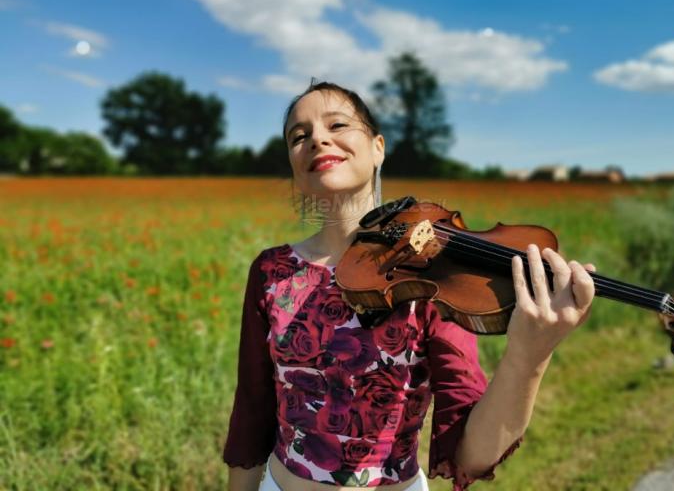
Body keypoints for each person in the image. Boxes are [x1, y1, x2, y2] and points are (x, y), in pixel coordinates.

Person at [222, 81, 597, 491]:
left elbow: (473, 455)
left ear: (377, 147)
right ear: (294, 163)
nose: (318, 139)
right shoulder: (272, 270)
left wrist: (530, 354)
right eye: (299, 136)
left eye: (337, 125)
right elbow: (252, 412)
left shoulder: (428, 273)